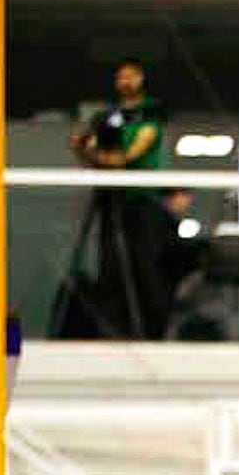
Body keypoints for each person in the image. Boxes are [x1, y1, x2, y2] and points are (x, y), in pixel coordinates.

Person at [66, 58, 175, 338]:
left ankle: (153, 333)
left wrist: (108, 157)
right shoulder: (108, 116)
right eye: (121, 77)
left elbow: (131, 154)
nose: (126, 82)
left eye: (132, 76)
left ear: (142, 79)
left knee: (145, 267)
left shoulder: (150, 113)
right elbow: (92, 149)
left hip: (143, 200)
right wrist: (86, 148)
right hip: (113, 198)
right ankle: (115, 330)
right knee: (111, 268)